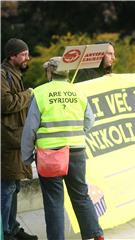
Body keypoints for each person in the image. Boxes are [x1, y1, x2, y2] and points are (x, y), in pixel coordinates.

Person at [21, 57, 104, 240]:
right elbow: (90, 120)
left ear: (49, 72)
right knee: (81, 195)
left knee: (53, 201)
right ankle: (95, 235)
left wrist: (26, 156)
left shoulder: (41, 93)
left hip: (49, 155)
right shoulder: (77, 91)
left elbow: (30, 128)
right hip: (76, 151)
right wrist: (75, 133)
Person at [1, 38, 38, 240]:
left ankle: (12, 228)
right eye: (23, 54)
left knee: (13, 188)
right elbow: (5, 104)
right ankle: (5, 232)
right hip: (6, 143)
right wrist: (28, 95)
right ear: (12, 56)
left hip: (15, 141)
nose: (27, 57)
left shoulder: (13, 74)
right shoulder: (2, 74)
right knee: (6, 189)